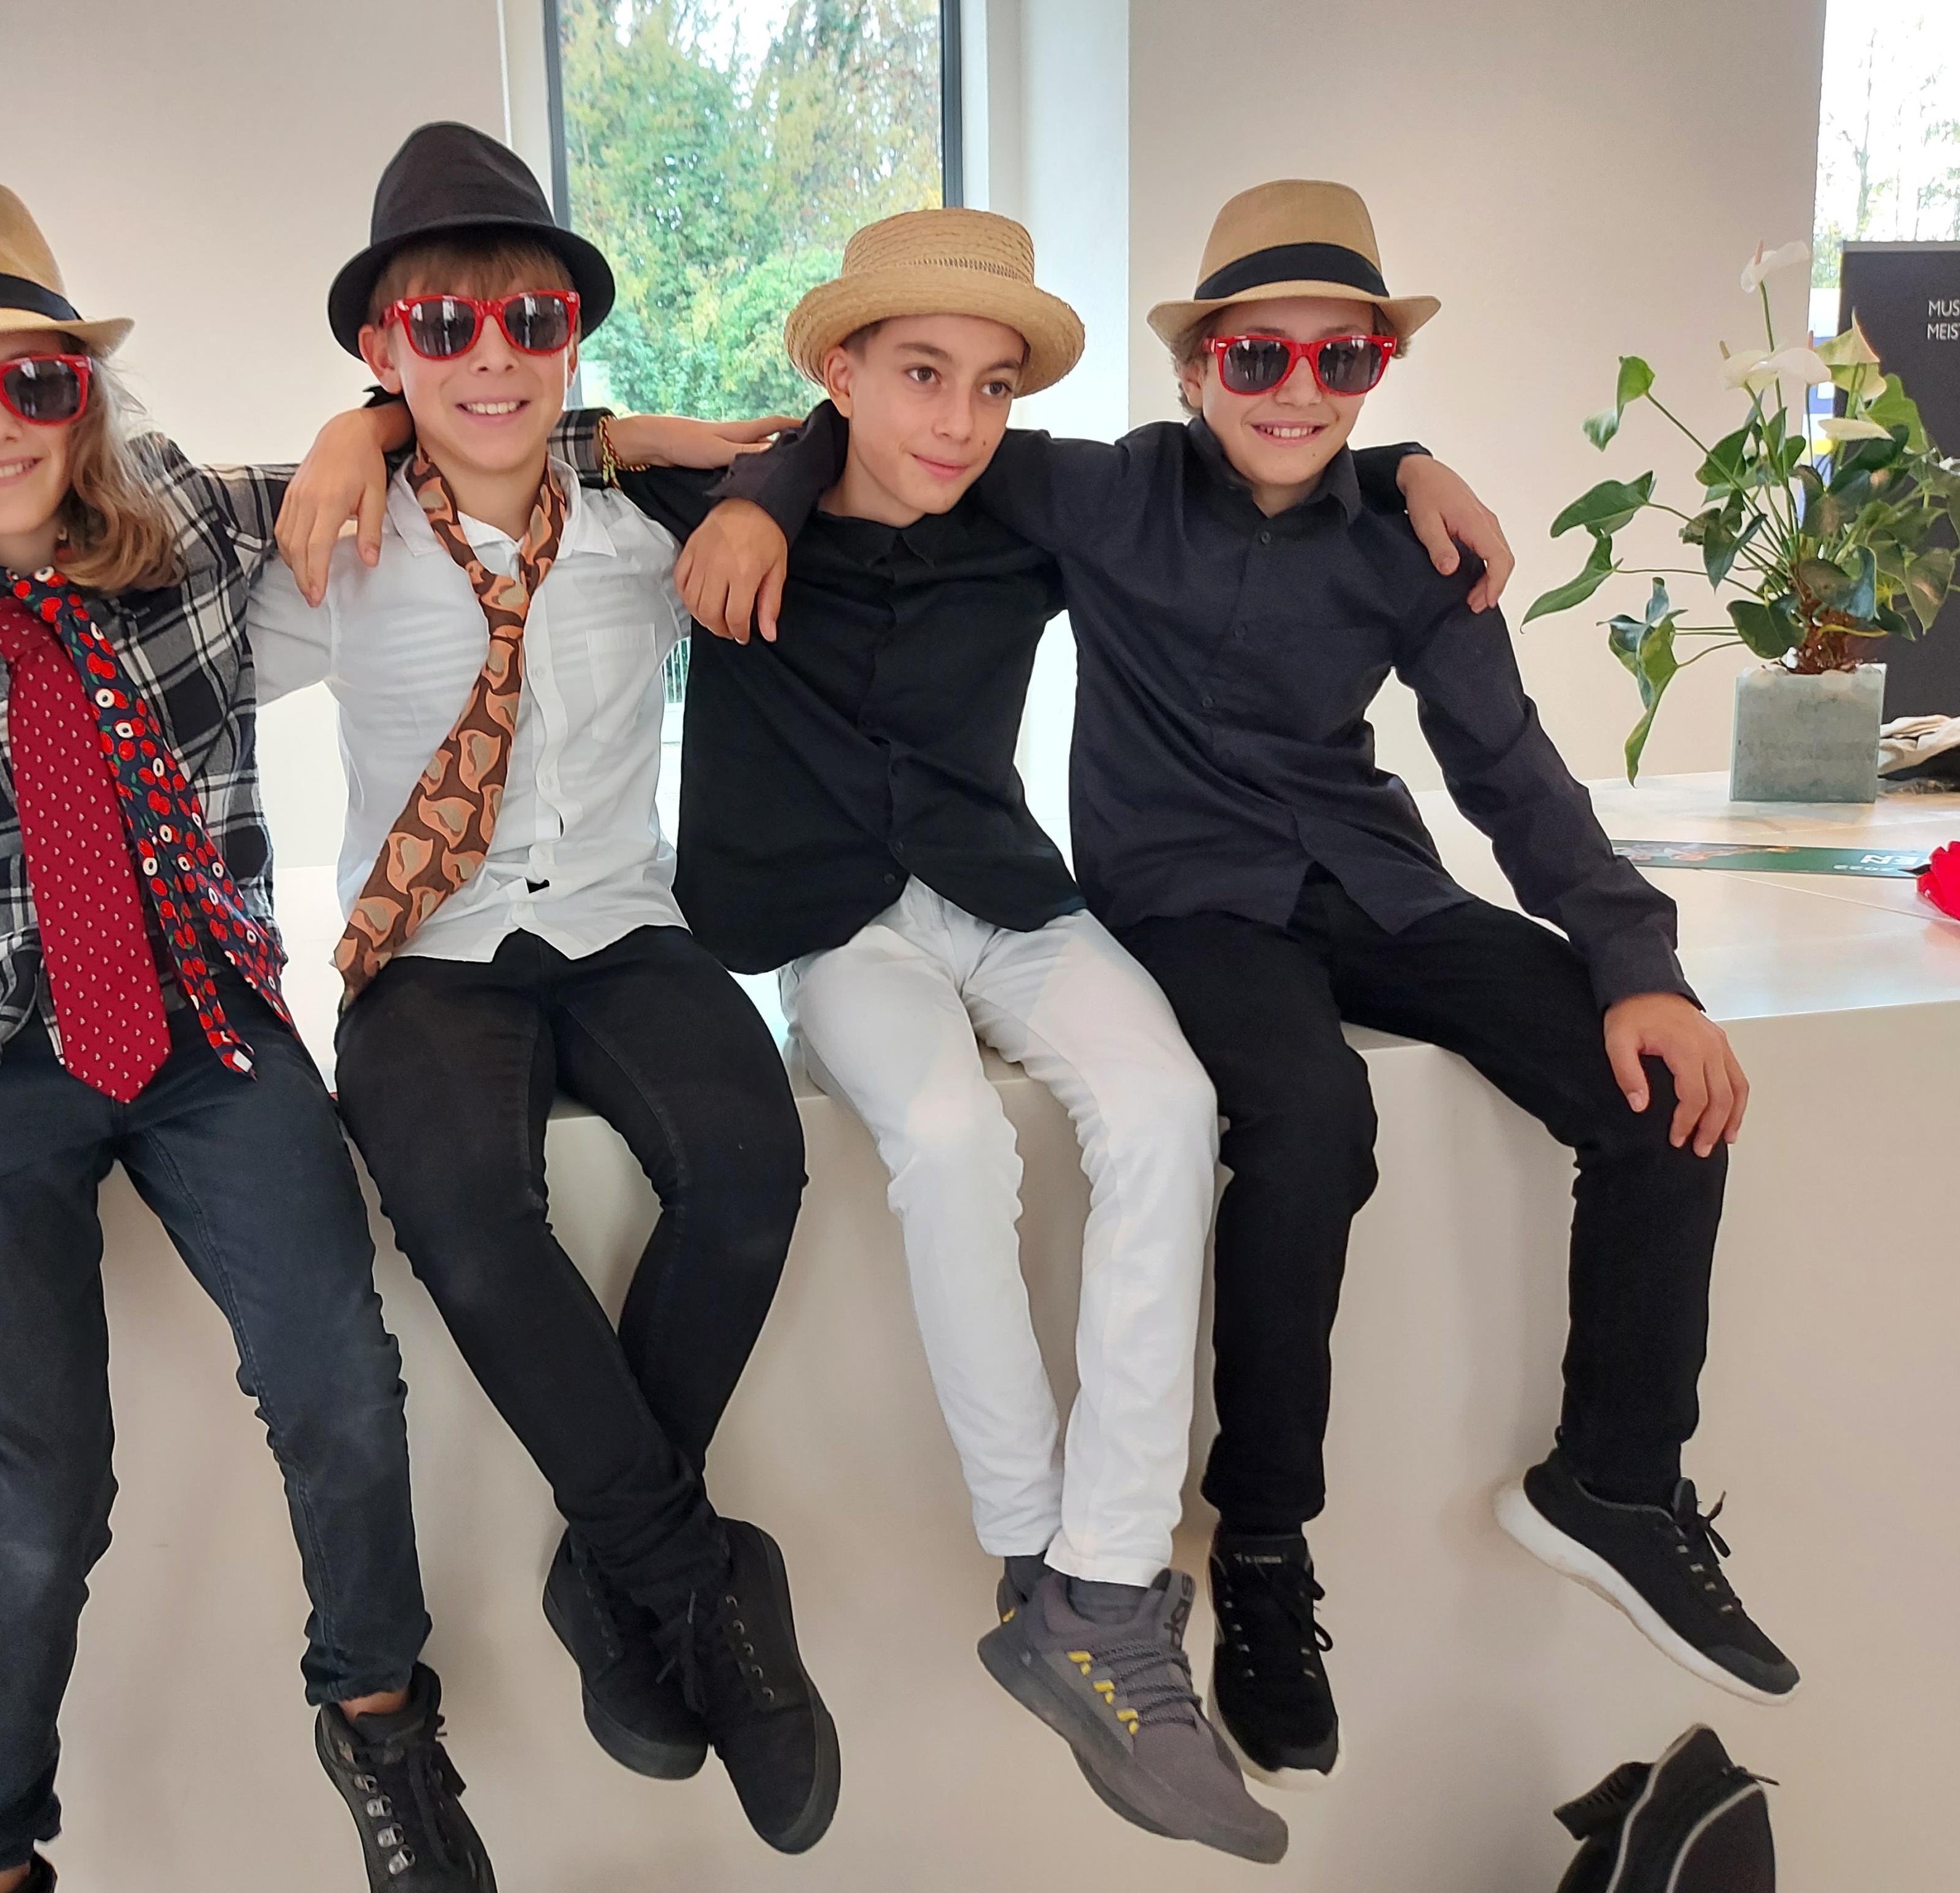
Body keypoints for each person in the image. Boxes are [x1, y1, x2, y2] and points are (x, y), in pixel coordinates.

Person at [698, 178, 1800, 1798]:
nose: (1299, 390)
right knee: (1306, 1118)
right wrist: (760, 497)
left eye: (1342, 361)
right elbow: (863, 434)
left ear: (1376, 375)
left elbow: (1511, 767)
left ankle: (1619, 1481)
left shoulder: (1408, 538)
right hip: (1189, 902)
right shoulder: (1095, 493)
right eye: (1259, 356)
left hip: (1378, 883)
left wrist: (1640, 964)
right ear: (1197, 364)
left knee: (1660, 1092)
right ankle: (1267, 1549)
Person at [559, 206, 1500, 1860]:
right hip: (833, 926)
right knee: (945, 1138)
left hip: (1008, 892)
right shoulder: (726, 507)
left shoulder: (1021, 518)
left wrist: (1407, 460)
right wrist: (756, 482)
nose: (958, 420)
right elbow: (525, 441)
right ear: (840, 369)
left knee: (1165, 1110)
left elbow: (1240, 471)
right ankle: (1031, 1553)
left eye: (992, 387)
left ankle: (1106, 1587)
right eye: (921, 375)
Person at [0, 177, 497, 1893]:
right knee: (43, 1496)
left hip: (205, 1032)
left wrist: (366, 420)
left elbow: (461, 441)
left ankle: (379, 1722)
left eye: (37, 381)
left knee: (342, 1384)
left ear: (84, 391)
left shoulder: (184, 531)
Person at [248, 122, 840, 1857]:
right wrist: (352, 438)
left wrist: (691, 465)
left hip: (623, 924)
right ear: (385, 348)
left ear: (574, 337)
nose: (491, 357)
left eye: (531, 321)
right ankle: (690, 1583)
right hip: (431, 954)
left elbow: (827, 443)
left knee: (755, 1167)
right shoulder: (337, 544)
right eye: (443, 328)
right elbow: (137, 561)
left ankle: (605, 1575)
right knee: (465, 1217)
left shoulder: (645, 535)